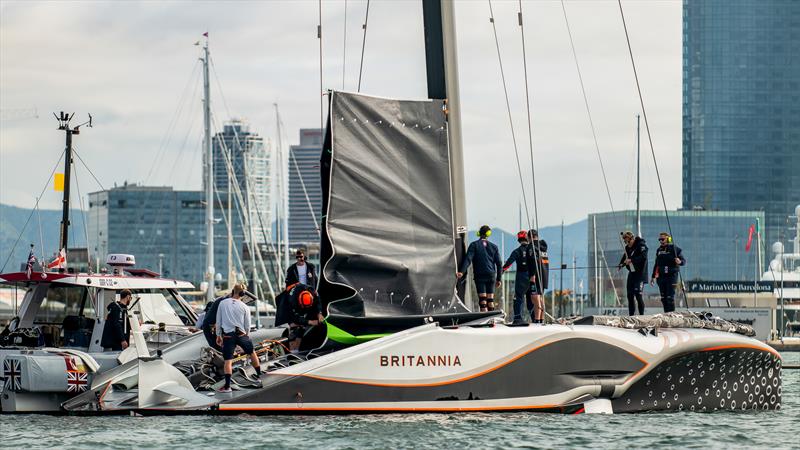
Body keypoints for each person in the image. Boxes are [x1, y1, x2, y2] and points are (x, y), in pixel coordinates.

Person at [215, 284, 261, 393]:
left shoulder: (222, 303)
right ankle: (260, 377)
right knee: (252, 353)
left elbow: (218, 321)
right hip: (241, 334)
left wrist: (218, 335)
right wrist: (246, 336)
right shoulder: (245, 307)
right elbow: (247, 325)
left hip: (228, 335)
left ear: (232, 291)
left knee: (228, 361)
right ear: (242, 294)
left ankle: (227, 387)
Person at [457, 225, 503, 312]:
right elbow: (499, 263)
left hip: (480, 275)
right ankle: (491, 319)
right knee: (490, 300)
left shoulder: (474, 245)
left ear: (479, 233)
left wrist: (461, 272)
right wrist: (499, 279)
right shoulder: (494, 247)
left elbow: (468, 259)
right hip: (491, 275)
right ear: (488, 234)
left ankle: (485, 321)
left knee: (483, 301)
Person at [503, 230, 537, 324]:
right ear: (527, 238)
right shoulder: (532, 249)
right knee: (531, 298)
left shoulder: (517, 251)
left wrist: (501, 271)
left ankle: (518, 318)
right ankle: (535, 319)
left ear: (518, 240)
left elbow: (508, 263)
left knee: (518, 297)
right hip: (532, 276)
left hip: (521, 276)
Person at [280, 283, 324, 352]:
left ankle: (299, 347)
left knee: (303, 325)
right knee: (295, 326)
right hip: (285, 304)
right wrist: (310, 322)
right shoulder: (292, 301)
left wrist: (319, 313)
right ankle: (293, 351)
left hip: (299, 298)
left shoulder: (312, 291)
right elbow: (295, 318)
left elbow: (318, 301)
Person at [650, 232, 685, 313]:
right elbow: (656, 264)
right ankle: (666, 315)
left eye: (662, 239)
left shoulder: (675, 249)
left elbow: (683, 261)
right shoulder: (659, 250)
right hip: (661, 277)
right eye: (659, 239)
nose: (661, 241)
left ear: (668, 239)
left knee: (670, 298)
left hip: (672, 277)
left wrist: (679, 261)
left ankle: (671, 315)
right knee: (663, 298)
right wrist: (653, 276)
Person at [618, 231, 649, 316]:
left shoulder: (641, 245)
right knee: (630, 296)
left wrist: (631, 260)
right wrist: (621, 264)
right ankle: (631, 316)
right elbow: (625, 256)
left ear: (633, 239)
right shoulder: (627, 247)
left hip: (640, 274)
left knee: (638, 295)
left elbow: (643, 257)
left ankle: (642, 316)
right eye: (625, 242)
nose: (627, 244)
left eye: (628, 241)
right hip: (632, 273)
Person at [529, 229, 549, 324]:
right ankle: (541, 319)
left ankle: (537, 321)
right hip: (544, 276)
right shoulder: (543, 247)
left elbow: (533, 261)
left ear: (530, 237)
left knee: (535, 299)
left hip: (535, 276)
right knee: (540, 298)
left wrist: (532, 275)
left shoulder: (532, 246)